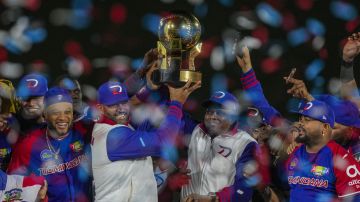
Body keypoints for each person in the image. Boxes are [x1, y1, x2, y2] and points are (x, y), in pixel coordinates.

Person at [91, 80, 200, 201]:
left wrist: (149, 87)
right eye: (113, 105)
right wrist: (176, 103)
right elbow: (164, 140)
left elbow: (132, 104)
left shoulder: (115, 125)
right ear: (100, 108)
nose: (121, 109)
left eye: (123, 102)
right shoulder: (114, 137)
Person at [8, 87, 91, 202]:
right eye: (55, 113)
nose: (62, 118)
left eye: (67, 112)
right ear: (44, 115)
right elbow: (11, 188)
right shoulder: (28, 145)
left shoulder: (83, 132)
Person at [180, 91, 258, 202]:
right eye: (210, 112)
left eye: (219, 112)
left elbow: (244, 190)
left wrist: (209, 199)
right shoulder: (196, 130)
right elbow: (166, 109)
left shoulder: (246, 144)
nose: (213, 116)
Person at [286, 99, 360, 201]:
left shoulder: (342, 160)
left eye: (307, 120)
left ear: (324, 127)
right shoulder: (295, 152)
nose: (300, 123)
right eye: (300, 119)